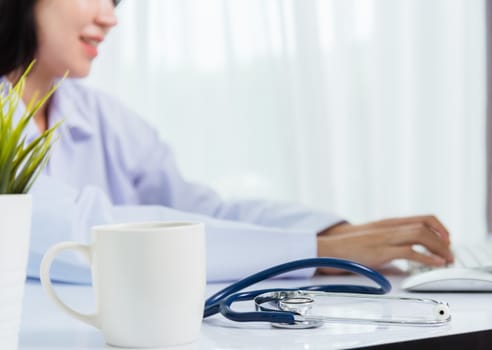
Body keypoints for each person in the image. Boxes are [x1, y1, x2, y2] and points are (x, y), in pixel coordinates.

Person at [0, 0, 453, 283]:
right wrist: (317, 254)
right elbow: (80, 236)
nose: (111, 16)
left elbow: (201, 209)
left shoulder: (104, 117)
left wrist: (333, 232)